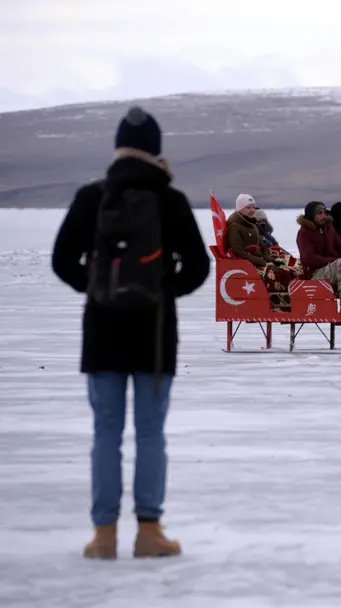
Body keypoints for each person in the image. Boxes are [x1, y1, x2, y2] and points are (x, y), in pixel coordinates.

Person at [51, 106, 210, 560]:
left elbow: (62, 261)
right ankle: (149, 531)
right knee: (150, 433)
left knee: (105, 433)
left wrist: (98, 289)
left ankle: (103, 536)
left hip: (101, 334)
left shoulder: (92, 198)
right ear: (156, 150)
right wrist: (161, 292)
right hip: (155, 337)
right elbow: (198, 267)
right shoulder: (170, 200)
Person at [296, 201, 341, 315]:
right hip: (316, 273)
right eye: (319, 213)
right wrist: (333, 261)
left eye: (324, 212)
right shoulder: (304, 233)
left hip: (336, 268)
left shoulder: (329, 228)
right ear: (311, 215)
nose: (323, 216)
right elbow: (308, 258)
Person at [227, 194, 303, 293]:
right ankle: (279, 302)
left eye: (253, 207)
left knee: (288, 270)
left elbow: (263, 248)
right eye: (248, 207)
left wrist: (271, 260)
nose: (252, 210)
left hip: (259, 262)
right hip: (248, 265)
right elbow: (239, 251)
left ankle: (292, 297)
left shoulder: (252, 224)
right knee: (279, 273)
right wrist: (262, 262)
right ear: (240, 209)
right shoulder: (234, 227)